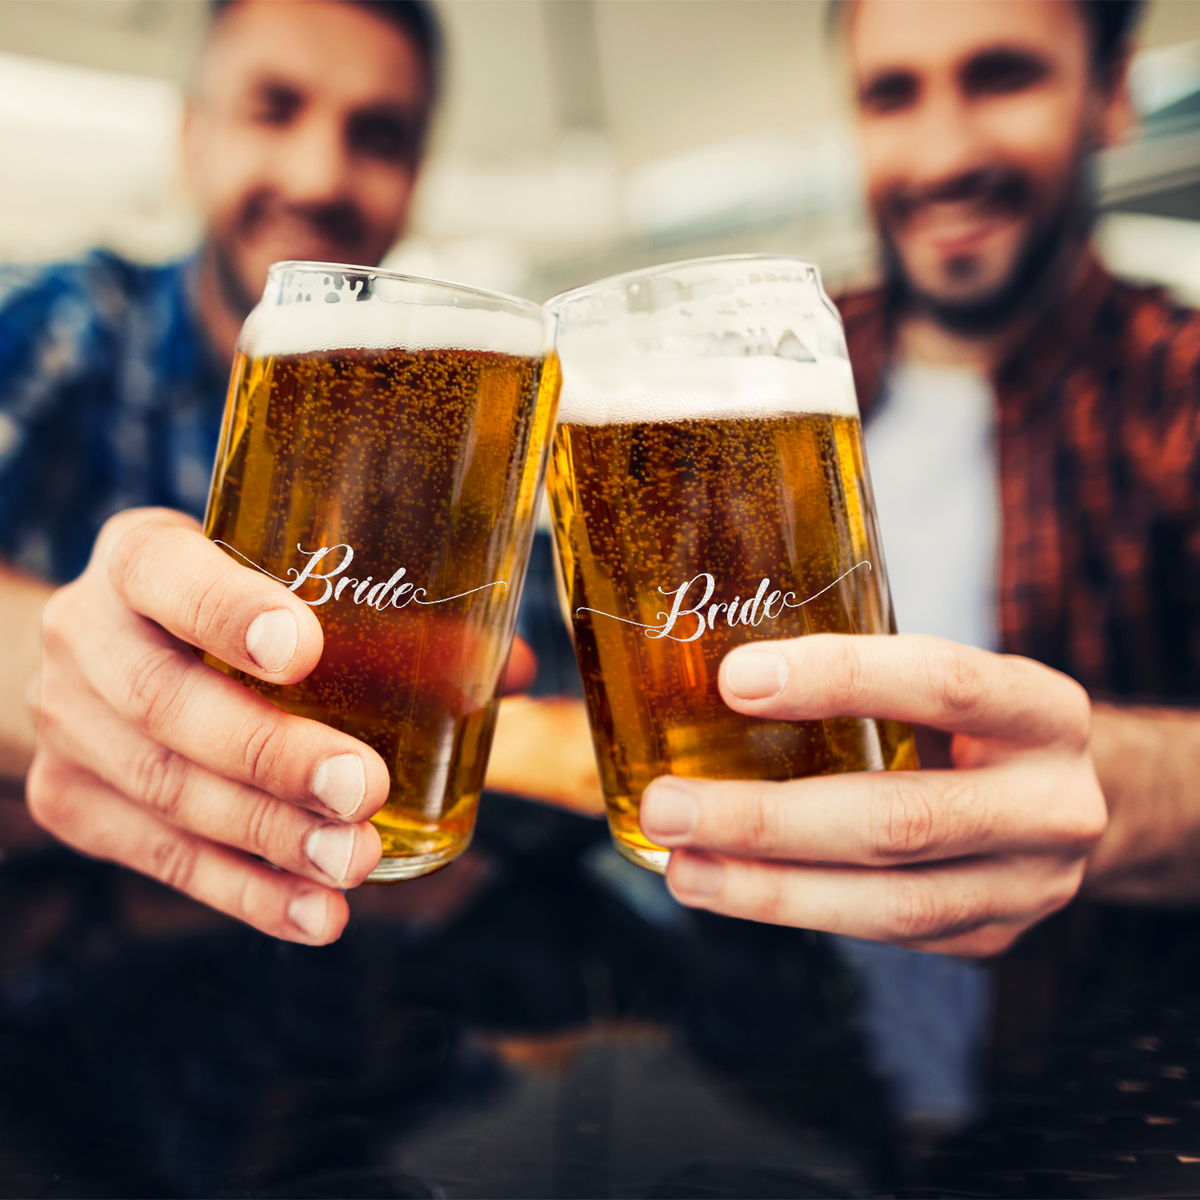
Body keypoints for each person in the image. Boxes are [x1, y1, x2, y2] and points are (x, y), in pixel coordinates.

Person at [638, 0, 1200, 960]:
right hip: (801, 1066)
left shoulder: (1177, 390)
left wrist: (1110, 793)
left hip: (1092, 1067)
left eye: (1001, 77)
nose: (942, 156)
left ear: (1111, 95)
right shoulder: (740, 387)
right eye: (892, 94)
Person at [0, 0, 478, 945]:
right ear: (192, 139)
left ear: (415, 177)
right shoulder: (67, 329)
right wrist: (58, 669)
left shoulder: (446, 422)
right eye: (275, 108)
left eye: (376, 135)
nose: (318, 173)